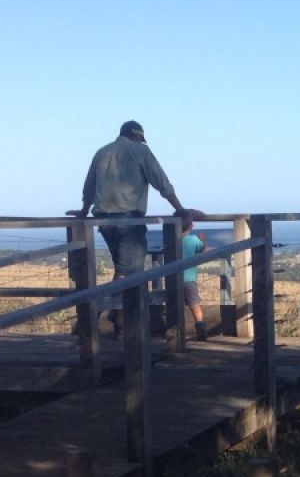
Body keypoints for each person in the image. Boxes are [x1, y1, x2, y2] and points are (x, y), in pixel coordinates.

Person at [68, 120, 202, 336]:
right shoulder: (140, 151)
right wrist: (180, 208)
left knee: (122, 269)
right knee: (132, 276)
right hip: (129, 221)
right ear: (137, 136)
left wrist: (84, 210)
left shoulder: (102, 152)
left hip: (103, 221)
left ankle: (108, 316)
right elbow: (162, 183)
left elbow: (89, 185)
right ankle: (120, 328)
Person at [179, 216, 208, 340]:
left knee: (175, 305)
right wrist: (203, 241)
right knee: (195, 305)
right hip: (189, 279)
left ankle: (177, 332)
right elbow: (204, 251)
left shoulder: (173, 240)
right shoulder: (193, 239)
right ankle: (200, 327)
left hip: (173, 278)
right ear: (191, 226)